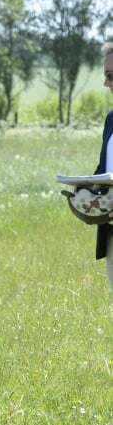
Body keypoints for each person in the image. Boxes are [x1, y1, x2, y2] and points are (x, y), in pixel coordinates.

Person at [94, 42, 113, 294]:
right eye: (106, 75)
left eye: (111, 75)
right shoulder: (111, 119)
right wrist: (84, 190)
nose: (107, 83)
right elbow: (103, 169)